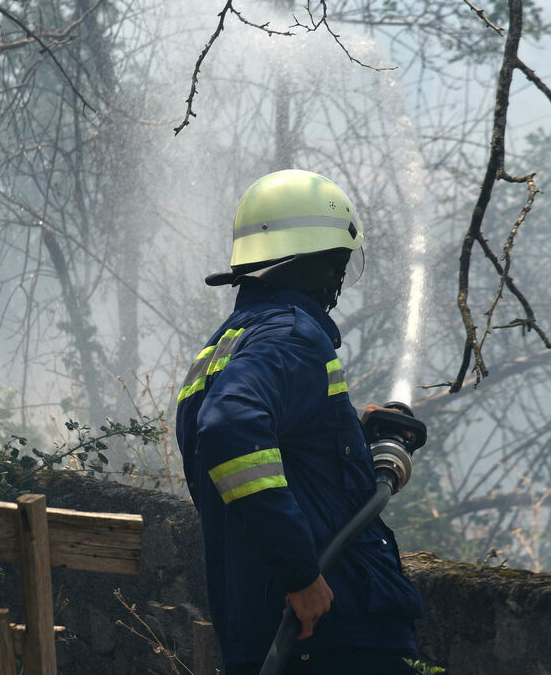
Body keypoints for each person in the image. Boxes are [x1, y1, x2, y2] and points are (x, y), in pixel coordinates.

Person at [175, 170, 423, 675]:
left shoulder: (225, 347)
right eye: (338, 263)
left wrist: (352, 430)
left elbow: (277, 445)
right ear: (320, 262)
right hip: (331, 635)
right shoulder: (291, 336)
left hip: (264, 630)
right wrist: (301, 574)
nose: (338, 281)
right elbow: (229, 429)